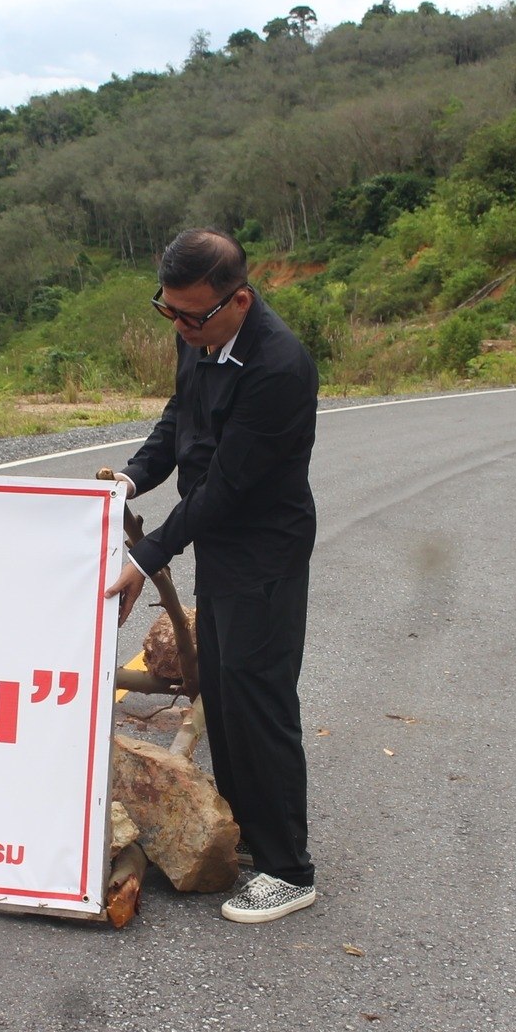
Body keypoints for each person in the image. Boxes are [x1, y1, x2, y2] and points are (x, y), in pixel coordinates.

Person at [106, 228, 319, 923]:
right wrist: (130, 481)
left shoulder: (279, 367)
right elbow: (179, 423)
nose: (181, 326)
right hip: (221, 547)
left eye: (194, 315)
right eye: (168, 311)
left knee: (260, 702)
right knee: (222, 697)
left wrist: (146, 554)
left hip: (264, 550)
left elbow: (227, 484)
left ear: (239, 301)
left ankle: (290, 869)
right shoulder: (194, 336)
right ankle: (255, 835)